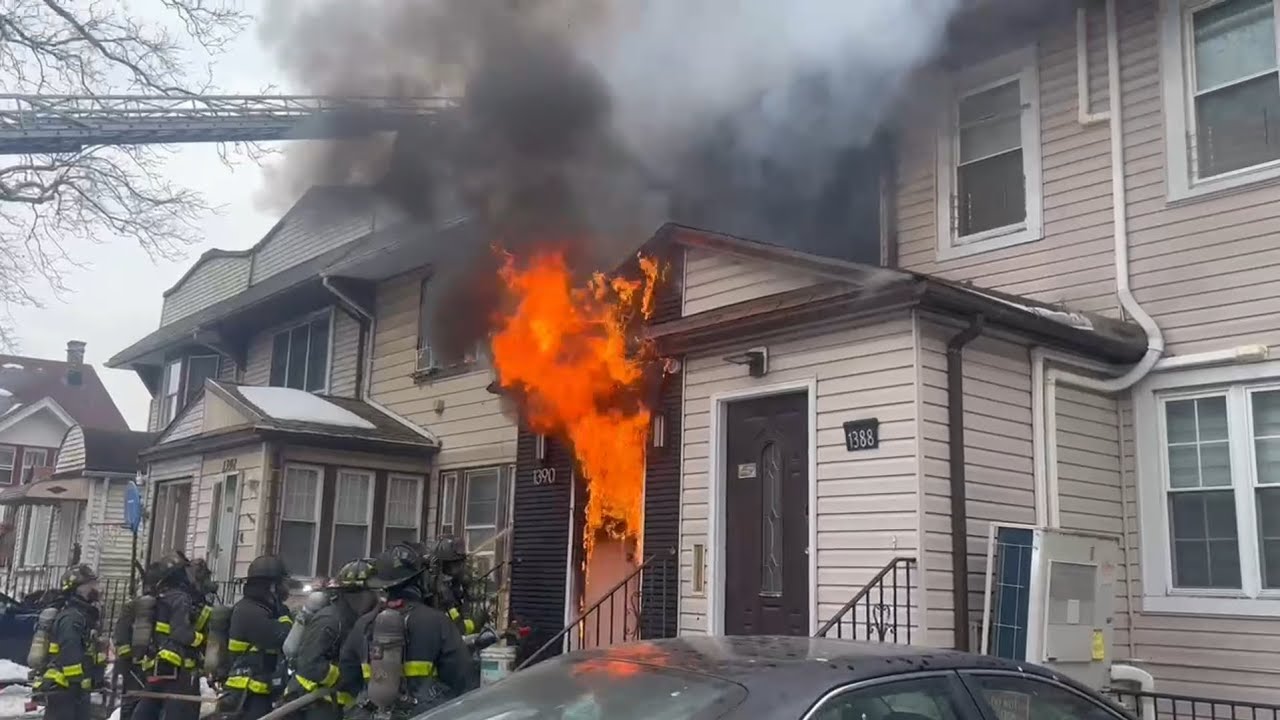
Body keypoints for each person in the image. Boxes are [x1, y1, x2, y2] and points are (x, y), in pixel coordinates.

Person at [339, 544, 474, 719]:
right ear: (420, 580)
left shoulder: (364, 624)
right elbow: (462, 676)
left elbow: (348, 672)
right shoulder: (437, 622)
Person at [284, 559, 377, 720]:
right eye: (373, 593)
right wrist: (343, 676)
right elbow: (309, 664)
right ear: (359, 594)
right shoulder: (331, 620)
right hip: (312, 705)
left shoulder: (353, 619)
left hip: (333, 705)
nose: (377, 599)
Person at [217, 555, 294, 720]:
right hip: (247, 696)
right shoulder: (249, 611)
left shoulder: (265, 609)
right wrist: (289, 617)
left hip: (260, 691)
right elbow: (281, 637)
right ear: (273, 586)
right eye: (283, 583)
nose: (287, 588)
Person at [134, 551, 203, 720]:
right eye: (186, 571)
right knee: (180, 712)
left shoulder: (161, 596)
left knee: (149, 707)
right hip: (177, 668)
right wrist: (202, 640)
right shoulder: (181, 598)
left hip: (156, 664)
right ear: (178, 575)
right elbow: (181, 633)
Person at [43, 565, 103, 720]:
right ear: (79, 589)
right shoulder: (72, 618)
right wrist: (77, 684)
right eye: (91, 584)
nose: (96, 588)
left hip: (72, 690)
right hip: (64, 689)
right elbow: (70, 652)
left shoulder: (83, 615)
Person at [112, 562, 163, 720]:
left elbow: (120, 633)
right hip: (143, 663)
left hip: (134, 663)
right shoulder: (158, 605)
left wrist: (127, 659)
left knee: (133, 700)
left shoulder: (133, 606)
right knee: (137, 701)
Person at [428, 536, 487, 637]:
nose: (459, 567)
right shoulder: (432, 585)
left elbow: (474, 620)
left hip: (462, 637)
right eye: (452, 564)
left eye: (460, 562)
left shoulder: (466, 584)